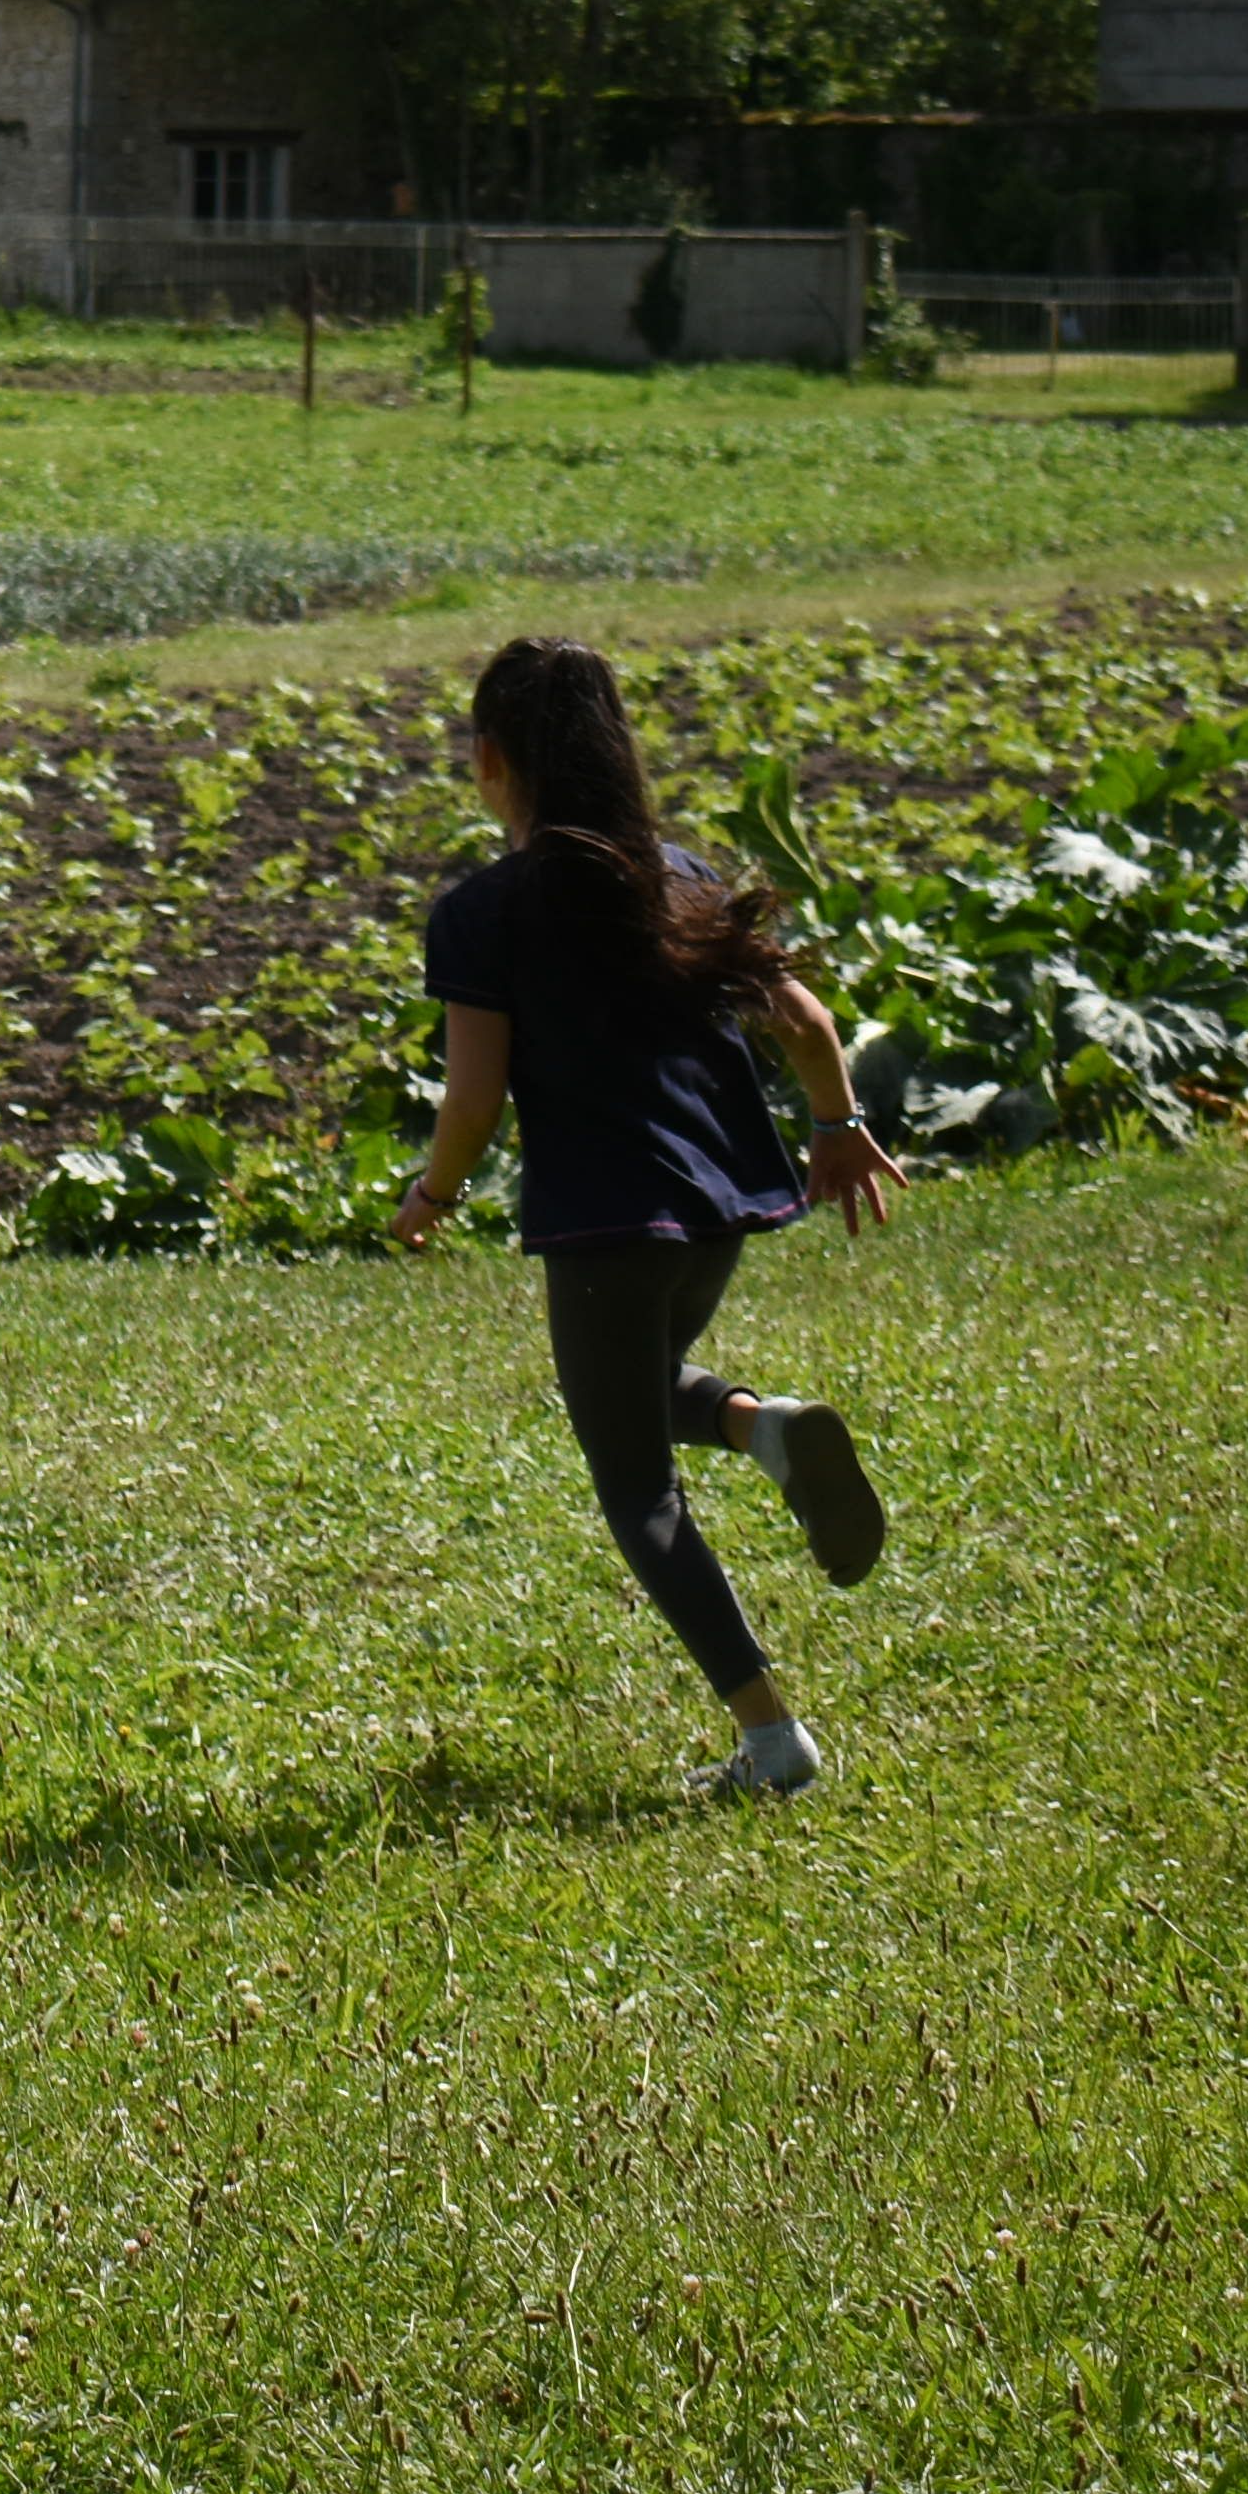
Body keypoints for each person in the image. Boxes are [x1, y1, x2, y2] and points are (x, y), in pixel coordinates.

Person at [388, 634, 901, 1800]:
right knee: (627, 1384)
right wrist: (834, 1130)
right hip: (715, 1208)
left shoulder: (482, 912)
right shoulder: (678, 876)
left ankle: (775, 1744)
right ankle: (765, 1430)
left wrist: (431, 1195)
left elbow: (471, 1099)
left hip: (604, 1216)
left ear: (490, 759)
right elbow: (810, 1025)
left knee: (632, 1485)